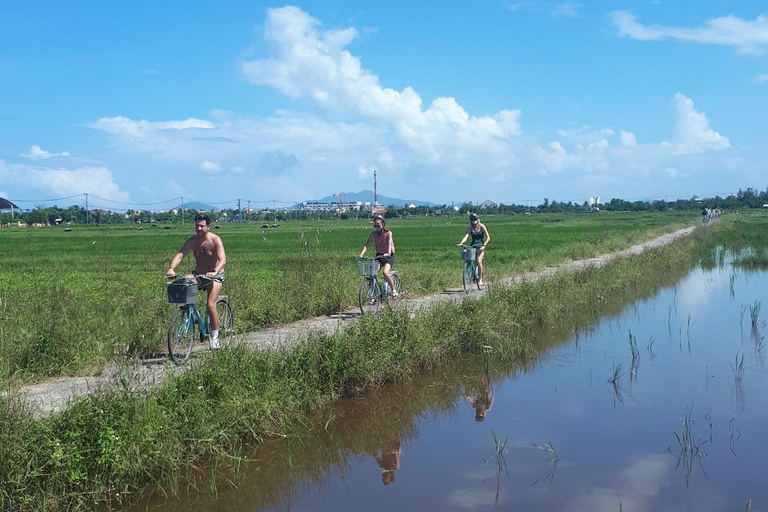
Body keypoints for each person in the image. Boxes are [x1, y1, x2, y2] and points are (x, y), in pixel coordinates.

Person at [165, 213, 227, 347]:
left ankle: (215, 337)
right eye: (197, 226)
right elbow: (180, 254)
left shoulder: (215, 240)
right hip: (199, 275)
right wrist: (171, 268)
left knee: (211, 305)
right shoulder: (192, 241)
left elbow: (223, 260)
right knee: (182, 283)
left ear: (208, 226)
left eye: (202, 226)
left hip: (214, 276)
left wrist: (215, 272)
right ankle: (193, 315)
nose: (199, 229)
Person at [359, 215, 398, 298]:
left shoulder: (388, 233)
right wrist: (362, 254)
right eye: (375, 226)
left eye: (378, 226)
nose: (377, 228)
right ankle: (373, 295)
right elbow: (367, 244)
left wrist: (388, 253)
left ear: (383, 224)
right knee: (372, 274)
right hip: (379, 256)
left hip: (388, 257)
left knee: (385, 272)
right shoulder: (373, 234)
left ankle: (393, 290)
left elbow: (389, 243)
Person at [456, 213, 490, 288]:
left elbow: (488, 237)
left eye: (475, 221)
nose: (474, 223)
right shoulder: (470, 229)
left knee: (478, 261)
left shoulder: (482, 227)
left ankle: (480, 279)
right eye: (472, 221)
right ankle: (470, 275)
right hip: (473, 246)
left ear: (477, 220)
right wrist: (461, 243)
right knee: (468, 259)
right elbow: (466, 236)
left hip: (480, 246)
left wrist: (484, 245)